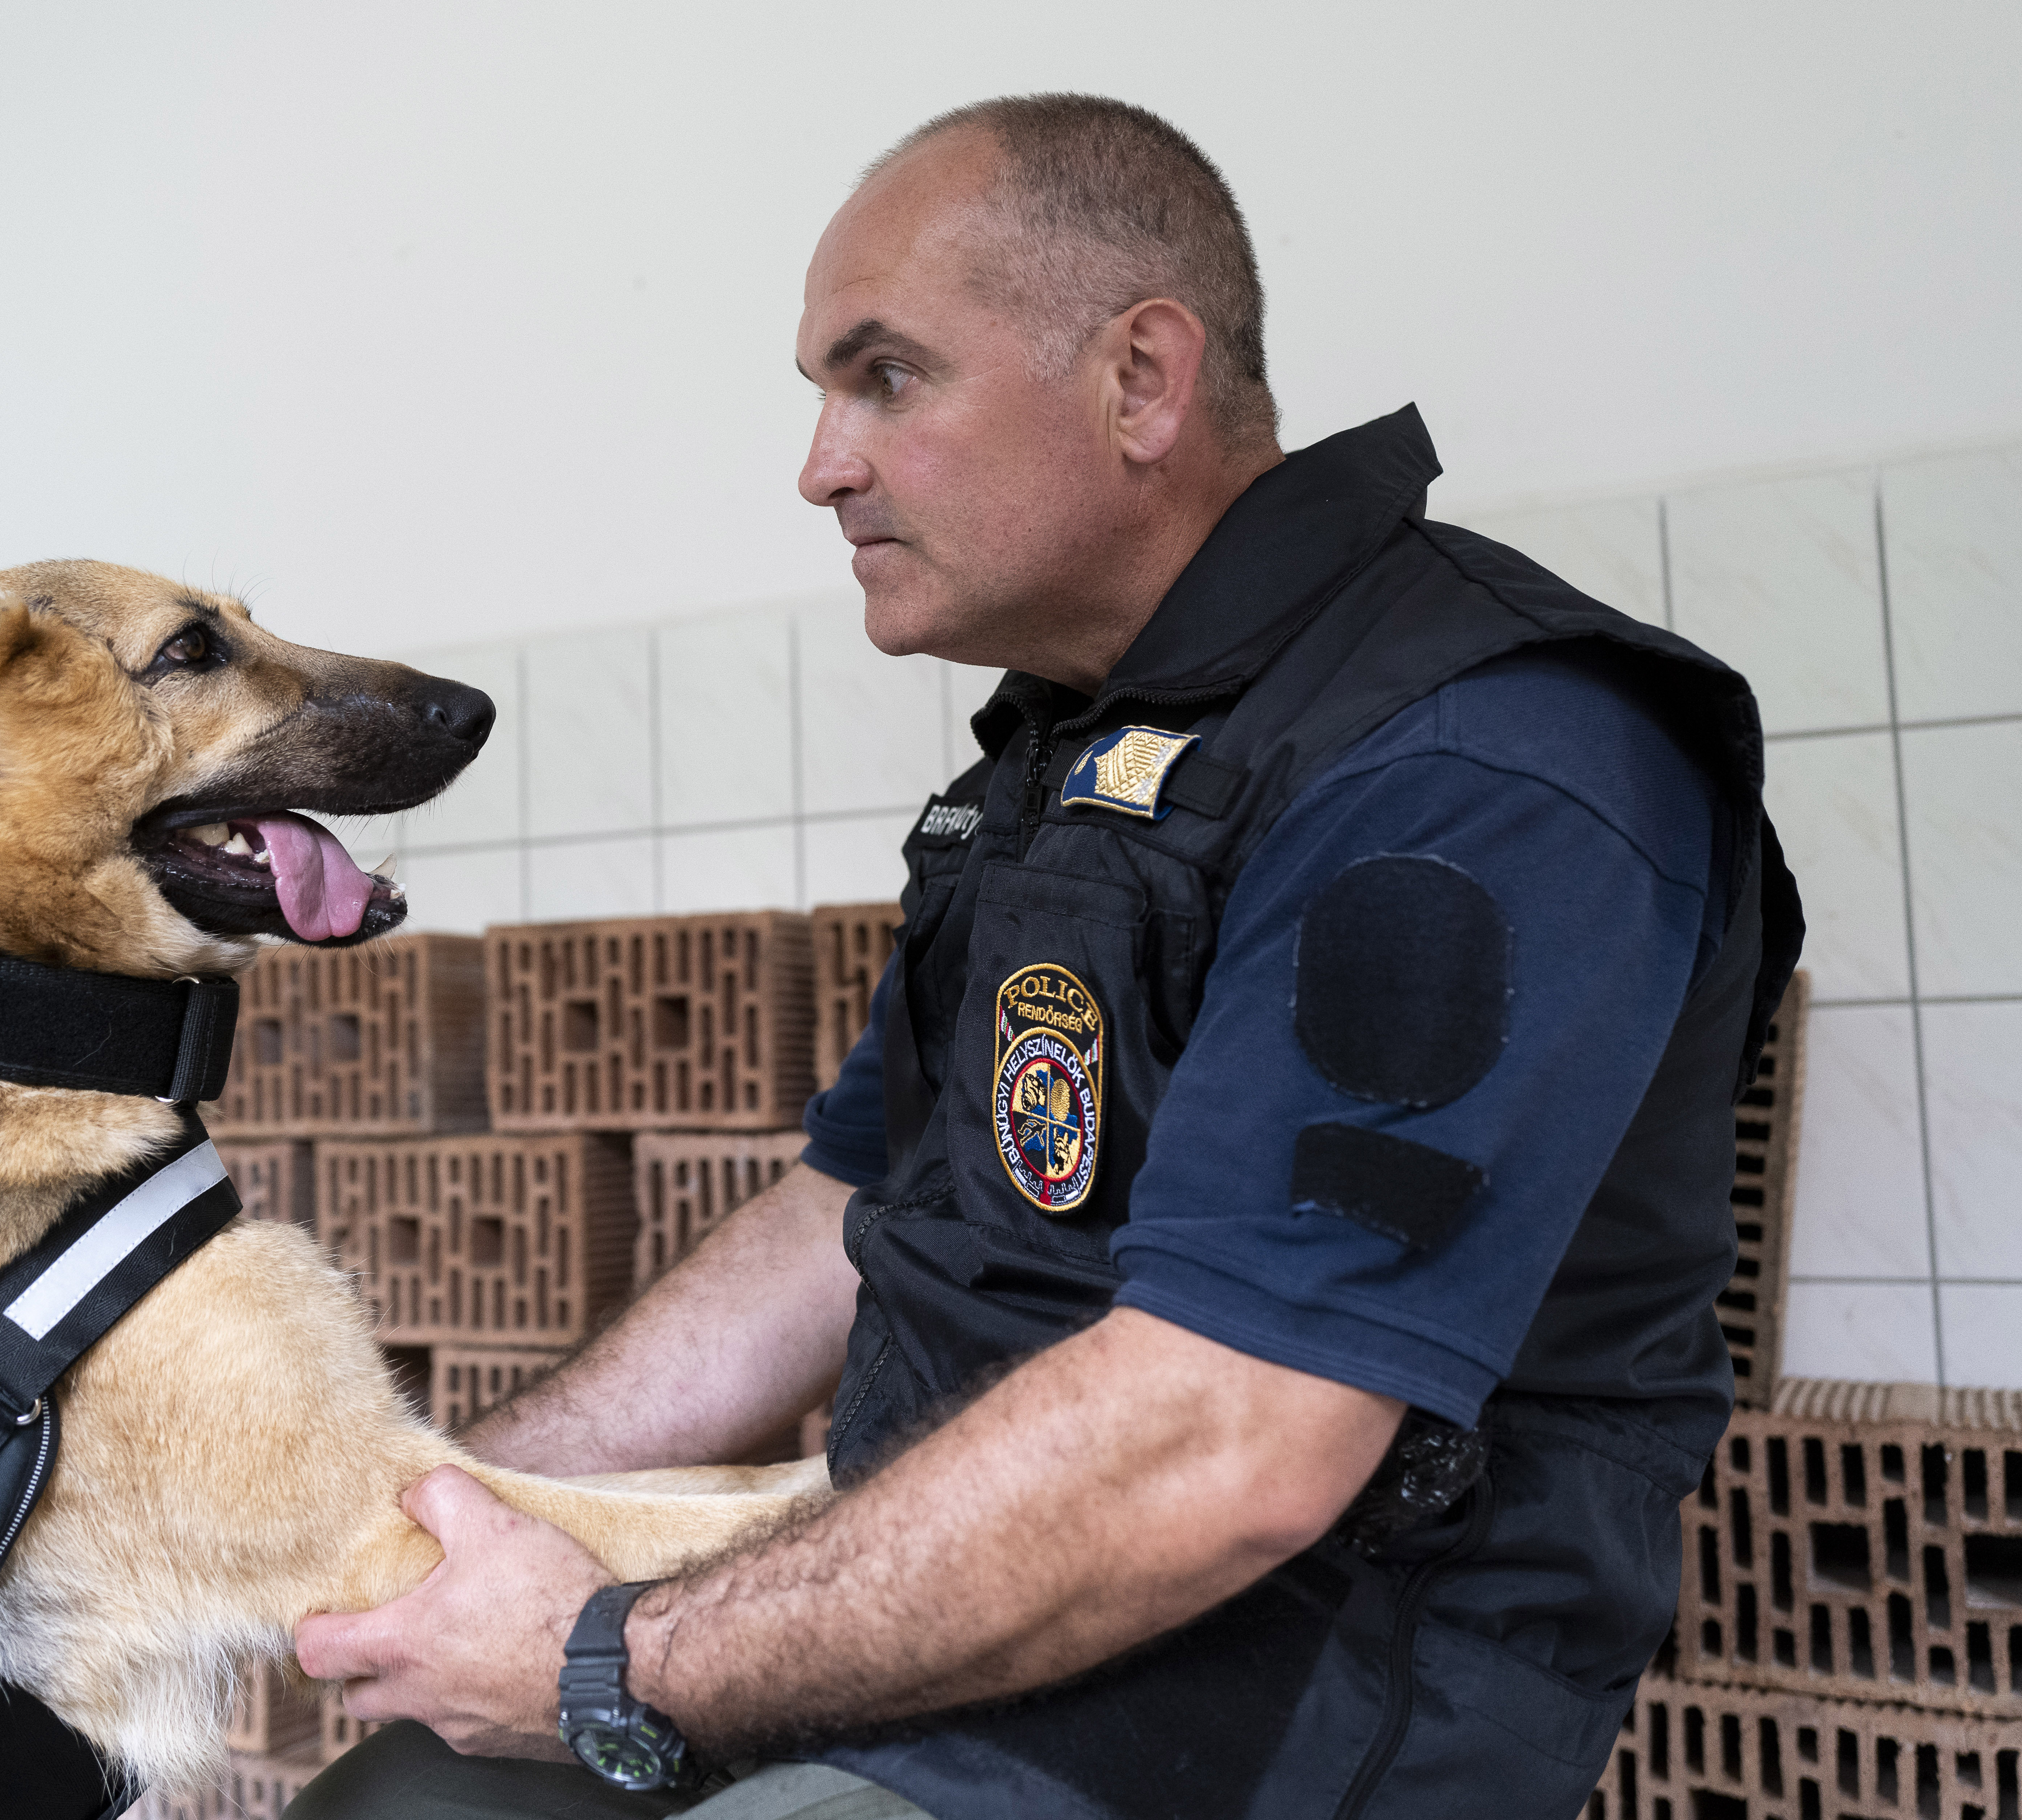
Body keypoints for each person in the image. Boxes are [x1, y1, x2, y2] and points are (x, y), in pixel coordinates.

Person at [289, 93, 1801, 1820]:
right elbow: (840, 1222)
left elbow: (1231, 1442)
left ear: (1140, 379)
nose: (821, 462)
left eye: (885, 377)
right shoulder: (1067, 763)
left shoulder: (1471, 763)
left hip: (1260, 1723)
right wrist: (423, 1504)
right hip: (944, 1658)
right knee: (394, 1802)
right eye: (819, 396)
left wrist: (609, 1660)